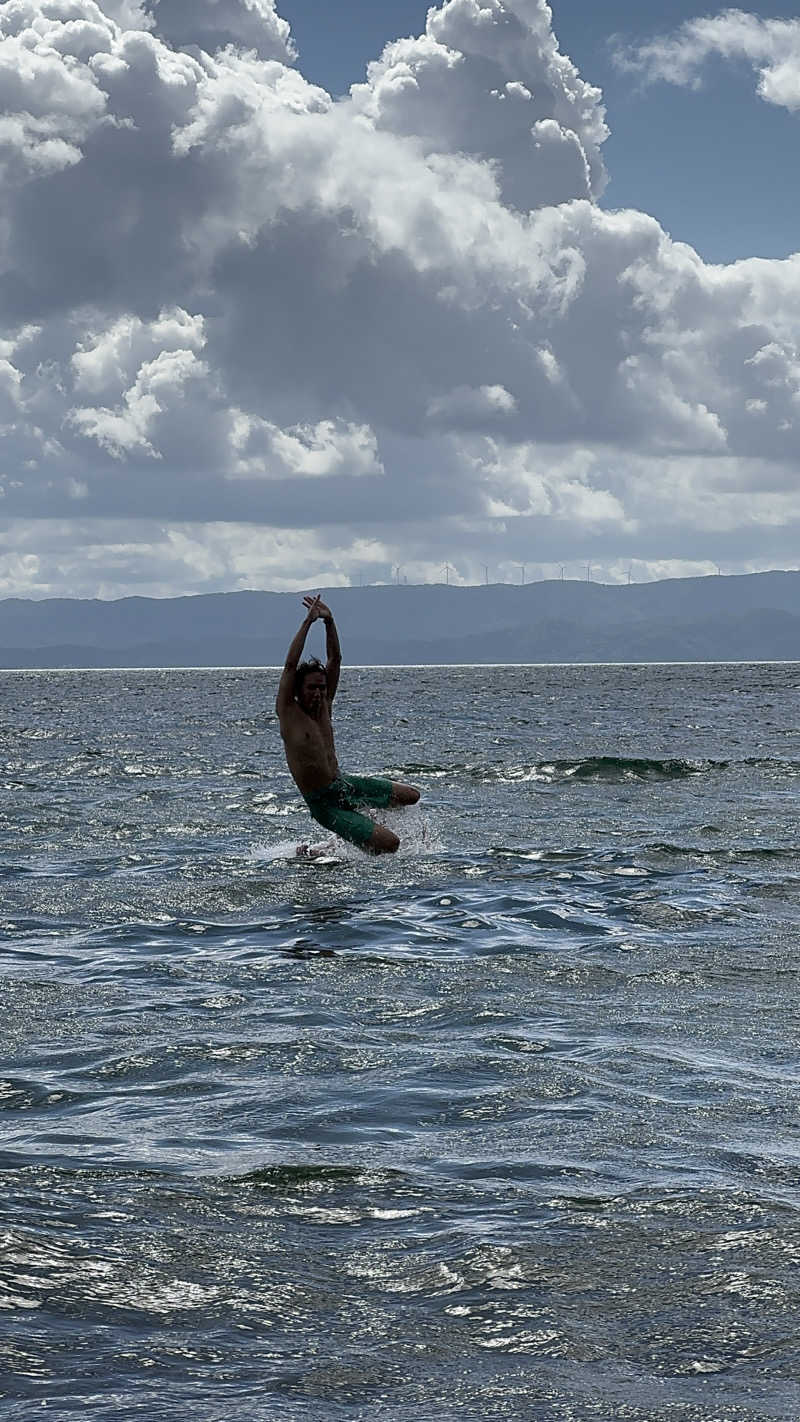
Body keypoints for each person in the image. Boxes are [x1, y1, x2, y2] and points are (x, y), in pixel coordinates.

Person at [275, 594, 420, 854]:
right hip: (324, 803)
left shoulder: (324, 706)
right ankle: (314, 853)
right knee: (391, 845)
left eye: (321, 687)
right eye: (312, 688)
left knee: (411, 796)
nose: (318, 693)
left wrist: (329, 622)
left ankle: (347, 837)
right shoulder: (288, 711)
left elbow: (335, 660)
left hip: (343, 785)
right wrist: (308, 623)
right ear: (299, 689)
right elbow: (289, 666)